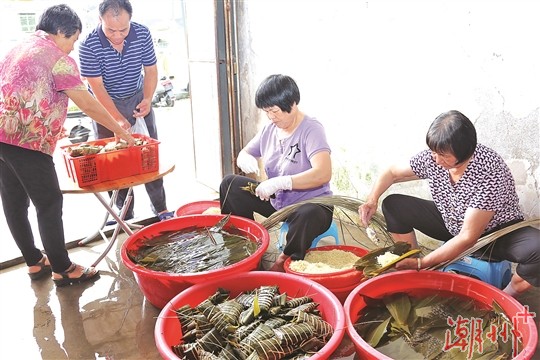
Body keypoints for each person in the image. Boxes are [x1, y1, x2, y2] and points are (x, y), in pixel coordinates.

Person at [0, 4, 135, 286]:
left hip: (2, 137)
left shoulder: (20, 46)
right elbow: (86, 102)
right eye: (72, 40)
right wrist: (119, 130)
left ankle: (34, 263)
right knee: (49, 203)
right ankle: (63, 268)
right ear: (62, 32)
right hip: (27, 141)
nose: (72, 47)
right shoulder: (57, 57)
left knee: (14, 202)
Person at [359, 110, 540, 296]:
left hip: (494, 235)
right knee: (393, 205)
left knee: (538, 251)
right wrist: (372, 199)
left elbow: (468, 237)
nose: (436, 160)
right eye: (434, 152)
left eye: (443, 155)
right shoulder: (435, 158)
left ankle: (502, 297)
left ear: (465, 151)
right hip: (451, 222)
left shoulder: (489, 171)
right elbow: (392, 173)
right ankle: (411, 268)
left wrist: (425, 262)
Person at [219, 74, 334, 272]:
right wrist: (244, 157)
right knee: (230, 184)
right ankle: (242, 247)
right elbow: (247, 151)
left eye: (275, 111)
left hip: (312, 206)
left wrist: (283, 182)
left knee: (307, 213)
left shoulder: (311, 130)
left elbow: (323, 173)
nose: (271, 117)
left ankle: (284, 261)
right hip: (278, 202)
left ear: (293, 103)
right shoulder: (270, 129)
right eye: (267, 112)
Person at [78, 0, 173, 223]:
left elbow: (150, 70)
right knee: (111, 159)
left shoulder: (142, 33)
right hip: (104, 105)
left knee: (148, 154)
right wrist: (117, 119)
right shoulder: (88, 45)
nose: (118, 35)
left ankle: (161, 208)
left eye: (123, 29)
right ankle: (123, 213)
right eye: (111, 30)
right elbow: (97, 87)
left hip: (137, 97)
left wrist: (148, 99)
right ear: (99, 20)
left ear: (131, 20)